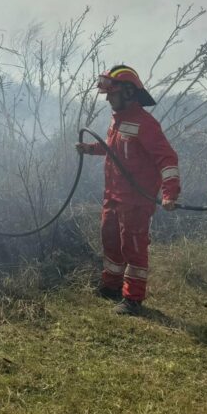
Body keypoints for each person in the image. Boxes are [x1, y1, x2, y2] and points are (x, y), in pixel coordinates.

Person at [76, 65, 180, 316]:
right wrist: (90, 149)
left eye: (112, 93)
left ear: (129, 93)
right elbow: (113, 149)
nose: (108, 98)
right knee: (110, 240)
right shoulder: (118, 119)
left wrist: (169, 193)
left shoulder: (146, 124)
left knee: (133, 247)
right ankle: (111, 286)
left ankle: (133, 299)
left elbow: (167, 159)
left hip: (135, 200)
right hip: (113, 196)